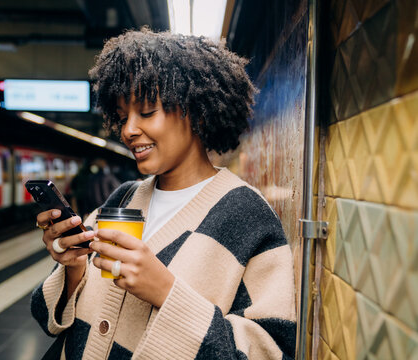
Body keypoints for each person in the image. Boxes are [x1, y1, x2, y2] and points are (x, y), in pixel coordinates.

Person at [31, 29, 296, 359]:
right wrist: (72, 268)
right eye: (122, 115)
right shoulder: (121, 199)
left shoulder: (247, 216)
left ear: (196, 111)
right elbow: (49, 318)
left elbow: (272, 350)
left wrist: (165, 291)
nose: (128, 130)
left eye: (145, 112)